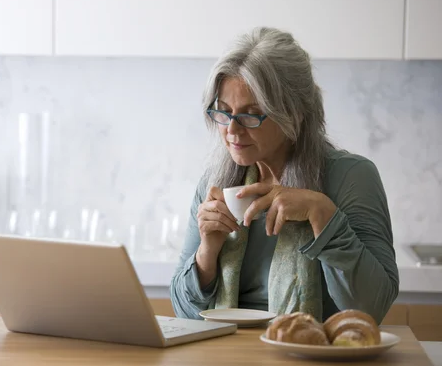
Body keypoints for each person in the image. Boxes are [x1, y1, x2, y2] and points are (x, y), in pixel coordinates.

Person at [169, 27, 399, 324]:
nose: (232, 131)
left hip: (314, 358)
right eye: (223, 112)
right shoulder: (216, 183)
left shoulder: (352, 176)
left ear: (294, 112)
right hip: (226, 359)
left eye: (251, 114)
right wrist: (207, 253)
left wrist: (323, 215)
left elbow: (372, 308)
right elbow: (183, 313)